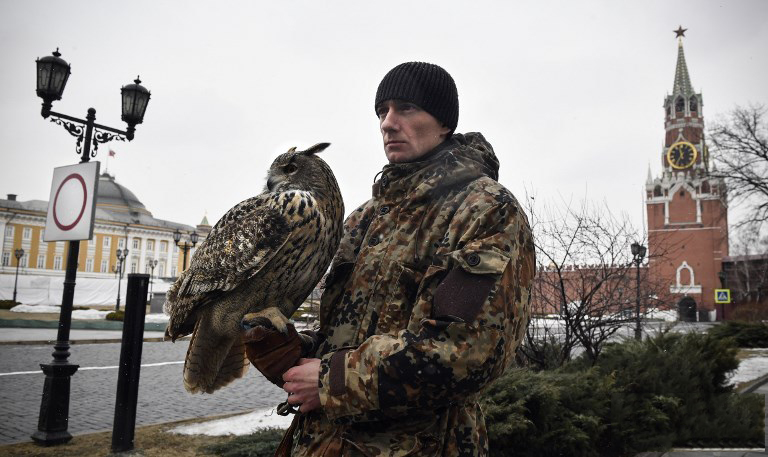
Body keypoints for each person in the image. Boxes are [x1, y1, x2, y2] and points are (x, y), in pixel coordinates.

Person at [244, 61, 535, 456]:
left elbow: (464, 352)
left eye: (406, 108)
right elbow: (345, 337)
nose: (388, 123)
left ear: (444, 123)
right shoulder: (366, 217)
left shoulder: (485, 211)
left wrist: (330, 381)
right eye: (382, 111)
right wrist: (288, 348)